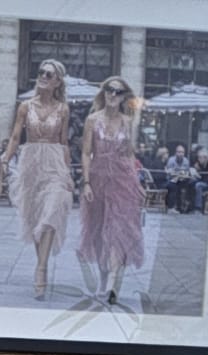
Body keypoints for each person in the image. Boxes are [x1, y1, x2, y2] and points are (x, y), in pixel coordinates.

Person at [0, 58, 74, 296]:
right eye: (41, 72)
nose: (43, 76)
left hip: (54, 162)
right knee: (35, 217)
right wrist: (6, 158)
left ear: (57, 82)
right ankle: (42, 263)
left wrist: (68, 172)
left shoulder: (63, 109)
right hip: (30, 162)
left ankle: (40, 269)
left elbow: (64, 141)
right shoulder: (25, 106)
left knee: (52, 210)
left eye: (49, 74)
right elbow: (15, 137)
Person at [78, 76, 144, 304]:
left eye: (118, 91)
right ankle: (104, 275)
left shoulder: (128, 121)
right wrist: (86, 182)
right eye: (109, 90)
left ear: (124, 97)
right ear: (103, 92)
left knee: (118, 229)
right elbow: (86, 153)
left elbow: (129, 154)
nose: (113, 95)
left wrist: (137, 181)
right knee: (97, 231)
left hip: (123, 180)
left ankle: (114, 281)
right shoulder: (92, 120)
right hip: (98, 178)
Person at [165, 143, 196, 211]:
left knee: (192, 183)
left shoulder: (186, 161)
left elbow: (187, 172)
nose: (181, 154)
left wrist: (186, 175)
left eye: (182, 152)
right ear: (176, 153)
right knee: (173, 186)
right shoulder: (171, 160)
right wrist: (179, 174)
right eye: (179, 152)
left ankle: (189, 205)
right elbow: (170, 173)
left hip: (182, 179)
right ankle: (171, 207)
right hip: (172, 180)